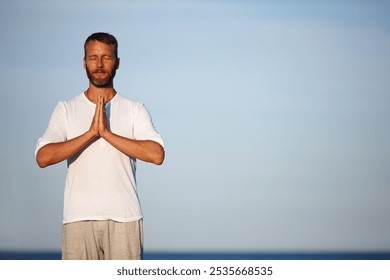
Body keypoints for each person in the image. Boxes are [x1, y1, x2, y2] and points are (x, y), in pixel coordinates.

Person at [35, 32, 165, 260]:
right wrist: (90, 134)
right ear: (84, 62)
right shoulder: (65, 109)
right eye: (93, 58)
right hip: (77, 219)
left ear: (117, 62)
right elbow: (43, 157)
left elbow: (156, 154)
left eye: (106, 57)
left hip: (125, 219)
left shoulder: (135, 109)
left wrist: (107, 134)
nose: (100, 64)